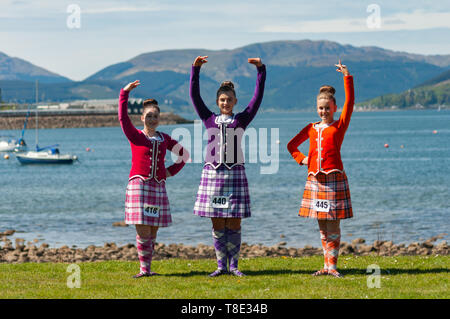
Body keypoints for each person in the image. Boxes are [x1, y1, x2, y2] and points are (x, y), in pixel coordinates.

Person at [190, 55, 266, 277]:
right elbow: (194, 96)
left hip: (235, 174)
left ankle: (234, 266)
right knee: (217, 222)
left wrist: (261, 71)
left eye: (229, 100)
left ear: (234, 102)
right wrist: (195, 70)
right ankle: (220, 266)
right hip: (212, 176)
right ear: (217, 102)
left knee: (234, 222)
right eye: (222, 100)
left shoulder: (242, 119)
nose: (225, 103)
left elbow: (257, 98)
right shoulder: (208, 119)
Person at [287, 60, 354, 278]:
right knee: (322, 226)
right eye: (321, 108)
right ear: (317, 109)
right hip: (315, 180)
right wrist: (301, 159)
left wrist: (347, 77)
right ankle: (325, 266)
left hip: (334, 179)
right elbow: (291, 145)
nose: (324, 111)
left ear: (334, 108)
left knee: (333, 224)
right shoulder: (310, 128)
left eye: (327, 108)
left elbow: (350, 102)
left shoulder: (339, 125)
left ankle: (332, 267)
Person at [119, 80, 189, 278]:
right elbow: (123, 119)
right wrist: (125, 93)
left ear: (159, 118)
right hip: (139, 187)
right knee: (143, 230)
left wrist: (170, 171)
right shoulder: (136, 136)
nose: (152, 119)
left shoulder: (165, 139)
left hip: (158, 187)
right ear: (142, 118)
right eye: (148, 116)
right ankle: (144, 270)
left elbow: (184, 155)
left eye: (155, 116)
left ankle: (148, 269)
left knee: (153, 231)